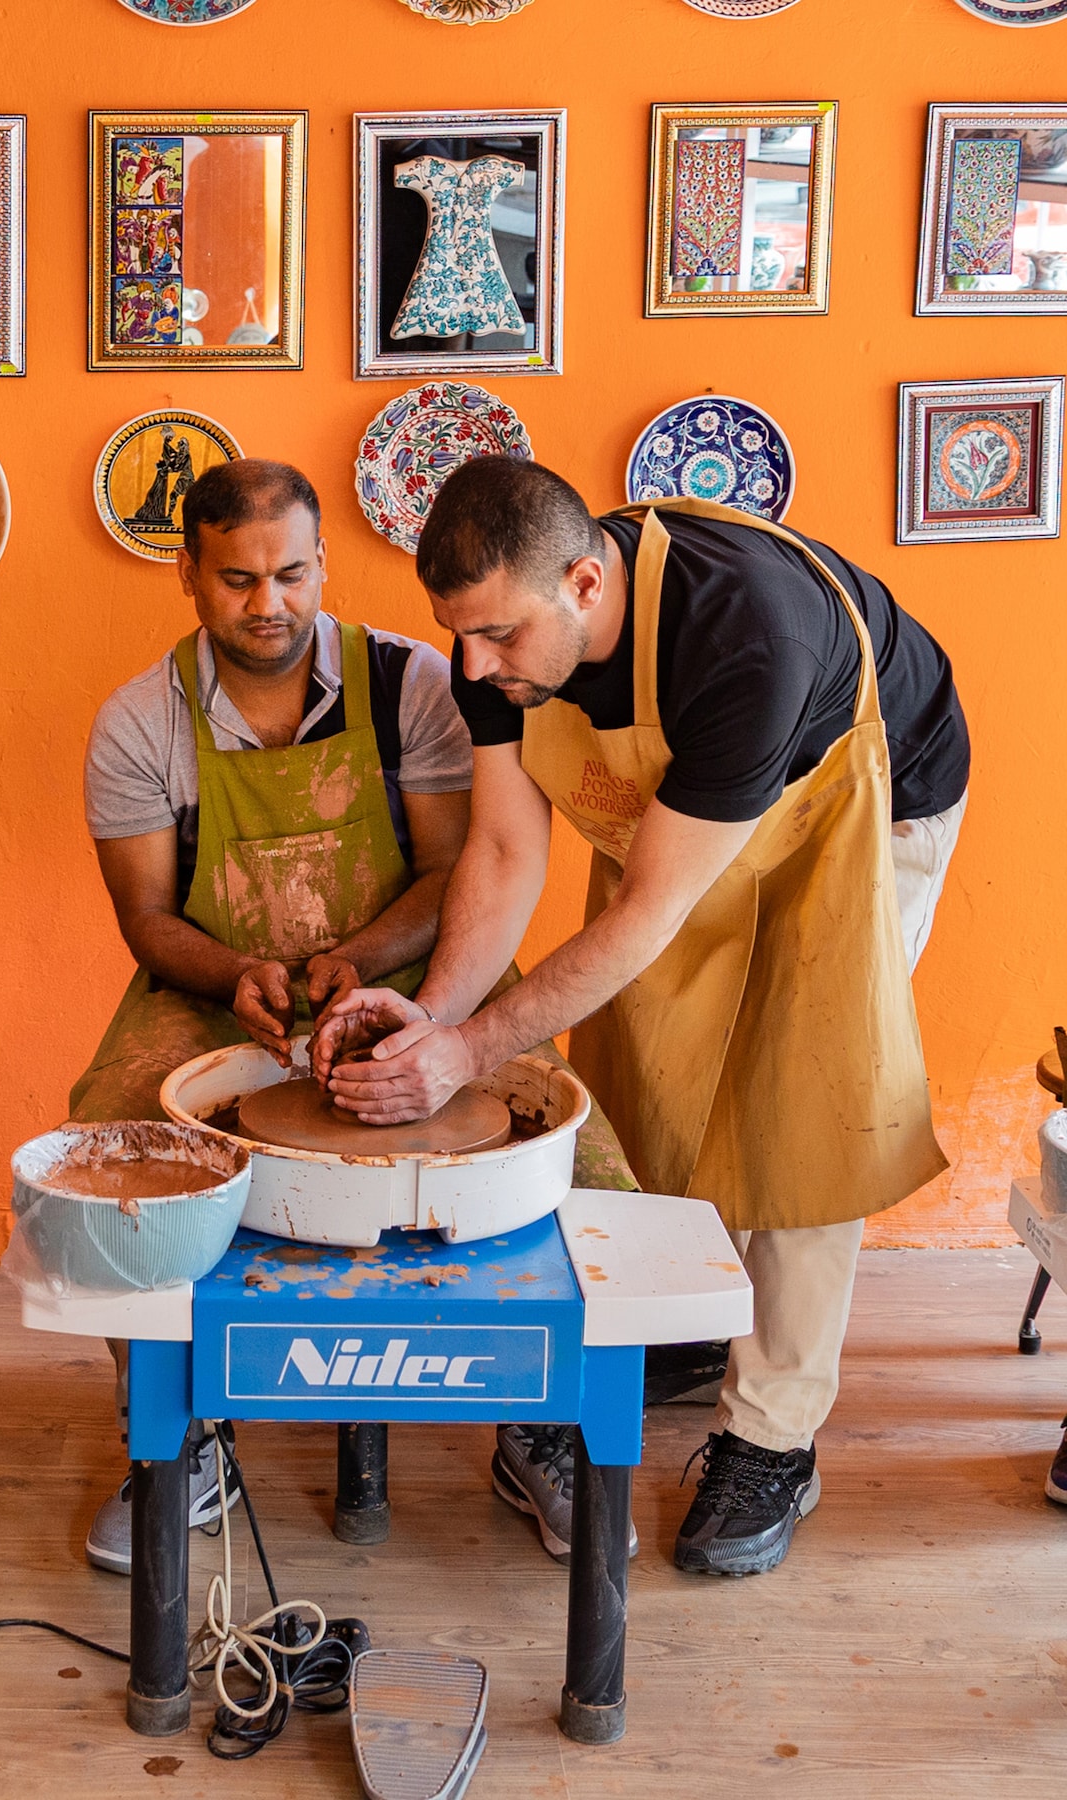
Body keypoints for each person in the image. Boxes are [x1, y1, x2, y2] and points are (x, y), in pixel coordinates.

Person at [313, 456, 971, 1578]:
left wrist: (474, 1050)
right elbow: (510, 850)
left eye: (500, 640)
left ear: (584, 583)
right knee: (635, 1070)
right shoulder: (500, 634)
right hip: (693, 814)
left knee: (809, 1101)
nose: (473, 666)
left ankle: (772, 1431)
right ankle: (680, 1317)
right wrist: (432, 1019)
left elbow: (650, 913)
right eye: (455, 635)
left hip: (858, 809)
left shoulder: (745, 639)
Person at [70, 457, 477, 1574]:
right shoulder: (138, 722)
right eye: (239, 580)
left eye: (291, 575)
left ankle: (539, 1425)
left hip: (400, 980)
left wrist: (359, 958)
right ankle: (173, 1435)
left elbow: (452, 879)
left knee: (573, 1147)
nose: (270, 605)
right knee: (112, 1145)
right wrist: (239, 971)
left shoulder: (412, 685)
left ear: (322, 565)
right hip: (221, 993)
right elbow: (147, 917)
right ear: (190, 577)